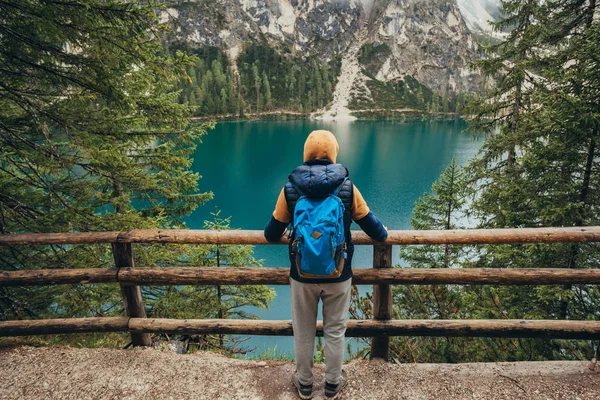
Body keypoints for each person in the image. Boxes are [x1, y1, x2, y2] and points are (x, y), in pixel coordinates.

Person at [264, 130, 388, 399]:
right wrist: (384, 234)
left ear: (306, 153)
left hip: (301, 274)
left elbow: (271, 232)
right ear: (333, 152)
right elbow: (373, 227)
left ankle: (305, 383)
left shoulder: (291, 188)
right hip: (339, 273)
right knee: (335, 330)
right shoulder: (346, 187)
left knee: (304, 330)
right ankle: (332, 384)